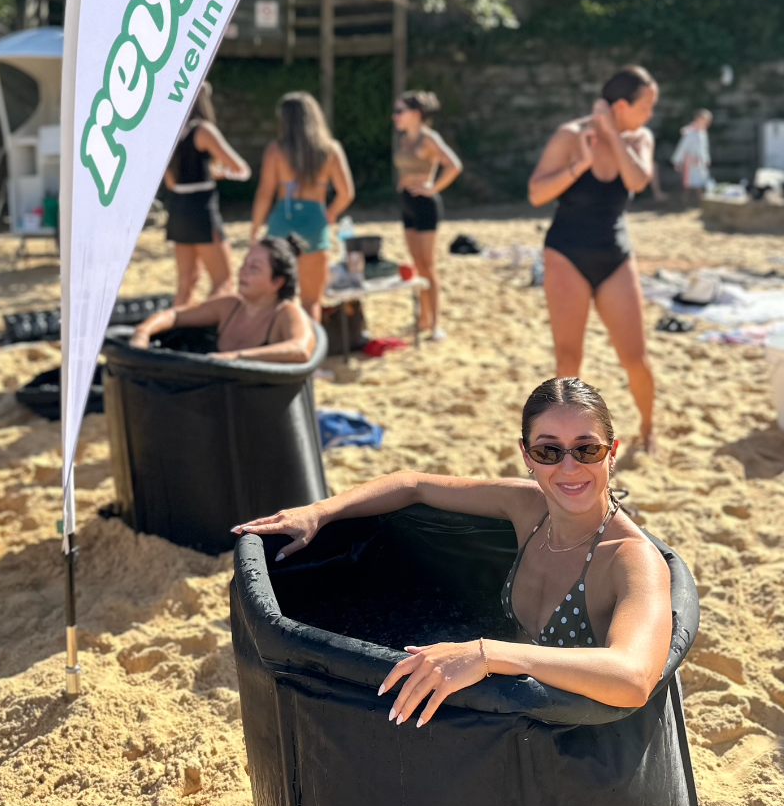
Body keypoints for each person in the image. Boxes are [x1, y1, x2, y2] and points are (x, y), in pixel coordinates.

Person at [235, 376, 672, 722]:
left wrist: (486, 653)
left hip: (573, 739)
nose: (570, 466)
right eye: (549, 450)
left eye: (587, 448)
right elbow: (414, 485)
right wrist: (321, 512)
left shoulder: (630, 558)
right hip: (510, 712)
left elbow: (633, 678)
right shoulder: (528, 508)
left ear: (612, 453)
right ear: (527, 455)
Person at [527, 66, 658, 453]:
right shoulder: (571, 135)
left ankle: (648, 429)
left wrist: (614, 134)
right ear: (621, 105)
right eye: (646, 105)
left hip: (614, 254)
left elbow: (637, 181)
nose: (650, 114)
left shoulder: (639, 138)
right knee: (569, 357)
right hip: (566, 252)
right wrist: (578, 164)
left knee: (635, 356)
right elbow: (536, 193)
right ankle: (570, 442)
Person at [251, 91, 355, 320]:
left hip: (282, 221)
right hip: (314, 221)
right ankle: (310, 352)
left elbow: (264, 193)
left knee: (279, 299)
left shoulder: (276, 150)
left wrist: (255, 229)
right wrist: (330, 213)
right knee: (312, 301)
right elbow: (347, 192)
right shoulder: (330, 149)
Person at [130, 237, 316, 363]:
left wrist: (236, 358)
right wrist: (143, 332)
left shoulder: (286, 313)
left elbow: (300, 349)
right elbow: (175, 315)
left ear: (277, 282)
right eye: (244, 264)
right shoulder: (229, 306)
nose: (243, 272)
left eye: (254, 268)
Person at [163, 81, 250, 306]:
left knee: (186, 283)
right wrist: (219, 173)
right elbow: (241, 169)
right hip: (202, 211)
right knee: (223, 281)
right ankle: (212, 331)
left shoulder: (169, 130)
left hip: (178, 211)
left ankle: (177, 333)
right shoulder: (203, 130)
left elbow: (171, 183)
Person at [392, 91, 463, 341]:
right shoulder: (404, 141)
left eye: (400, 111)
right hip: (407, 203)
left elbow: (454, 165)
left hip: (425, 204)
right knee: (417, 264)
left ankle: (435, 324)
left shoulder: (429, 138)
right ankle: (423, 317)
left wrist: (432, 187)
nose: (395, 116)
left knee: (428, 265)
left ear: (416, 114)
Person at [671, 109, 713, 202]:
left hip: (700, 162)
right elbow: (682, 147)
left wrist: (706, 159)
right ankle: (687, 201)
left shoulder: (703, 133)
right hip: (690, 163)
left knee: (700, 182)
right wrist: (678, 160)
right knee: (690, 184)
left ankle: (700, 201)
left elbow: (704, 148)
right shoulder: (689, 133)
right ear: (697, 119)